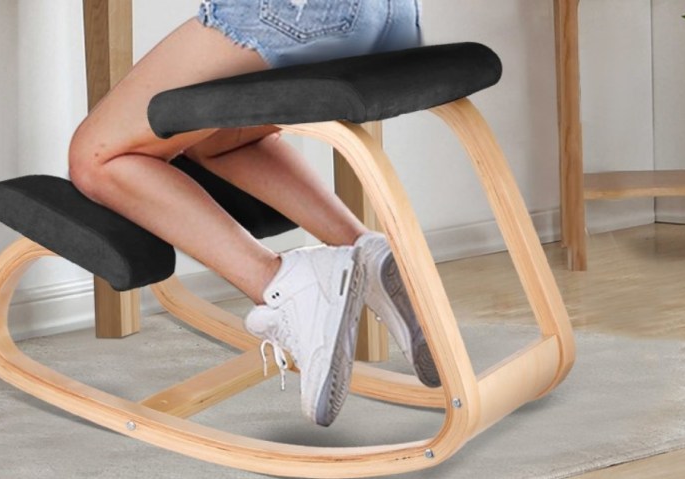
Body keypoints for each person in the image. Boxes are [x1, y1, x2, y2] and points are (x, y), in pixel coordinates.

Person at [68, 0, 436, 427]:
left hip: (303, 13)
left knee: (96, 156)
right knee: (215, 136)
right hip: (393, 18)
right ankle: (366, 252)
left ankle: (285, 285)